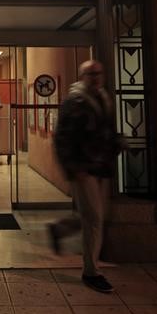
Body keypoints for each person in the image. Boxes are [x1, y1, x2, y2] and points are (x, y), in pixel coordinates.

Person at [47, 59, 124, 293]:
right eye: (91, 74)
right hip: (84, 168)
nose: (97, 77)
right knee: (94, 220)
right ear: (82, 77)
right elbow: (62, 137)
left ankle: (60, 229)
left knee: (94, 216)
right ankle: (92, 272)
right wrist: (73, 168)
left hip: (102, 166)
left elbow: (106, 130)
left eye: (99, 73)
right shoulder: (75, 101)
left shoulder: (104, 98)